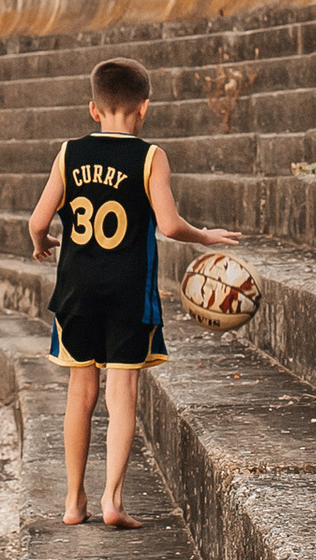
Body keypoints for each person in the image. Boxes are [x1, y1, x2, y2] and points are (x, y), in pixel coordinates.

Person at [25, 58, 223, 528]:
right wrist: (207, 237)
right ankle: (113, 500)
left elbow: (36, 221)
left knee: (81, 391)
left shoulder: (68, 153)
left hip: (76, 290)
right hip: (129, 292)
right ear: (144, 108)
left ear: (94, 109)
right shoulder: (151, 157)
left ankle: (74, 503)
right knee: (123, 391)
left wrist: (42, 245)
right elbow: (171, 224)